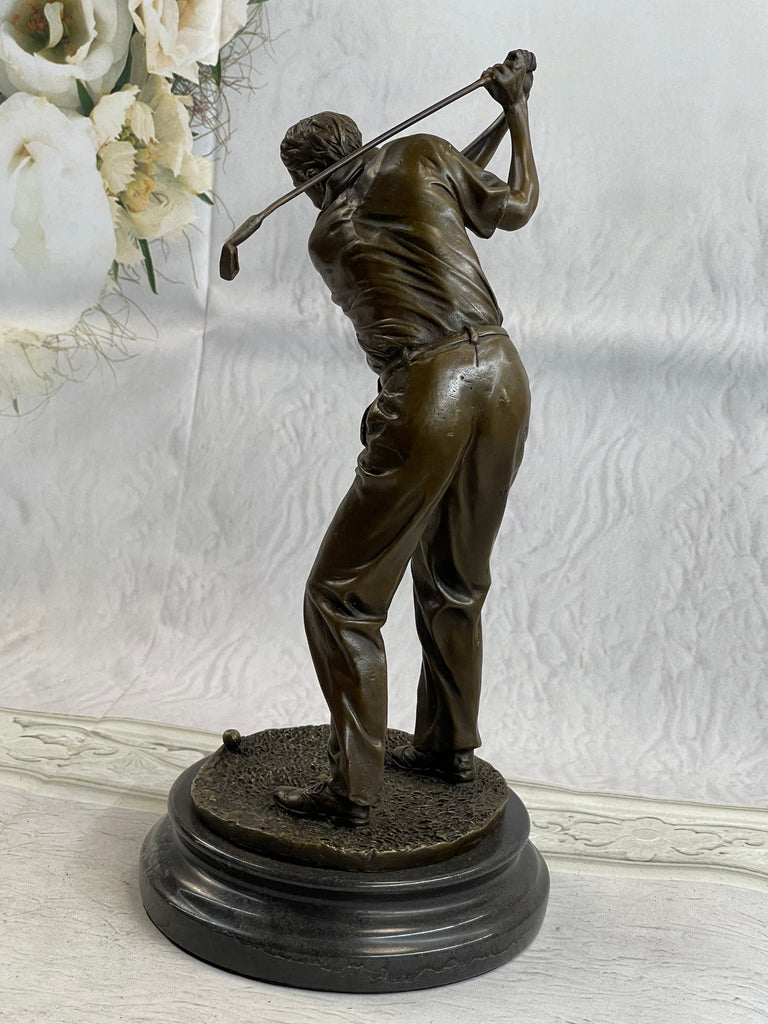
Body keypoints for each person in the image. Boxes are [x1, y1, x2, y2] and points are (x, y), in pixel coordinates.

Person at [274, 51, 539, 827]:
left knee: (341, 598)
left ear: (310, 180)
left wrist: (498, 121)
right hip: (503, 376)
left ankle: (352, 789)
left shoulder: (328, 236)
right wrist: (516, 112)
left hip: (428, 390)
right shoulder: (423, 156)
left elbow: (432, 194)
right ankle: (449, 746)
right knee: (456, 579)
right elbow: (506, 204)